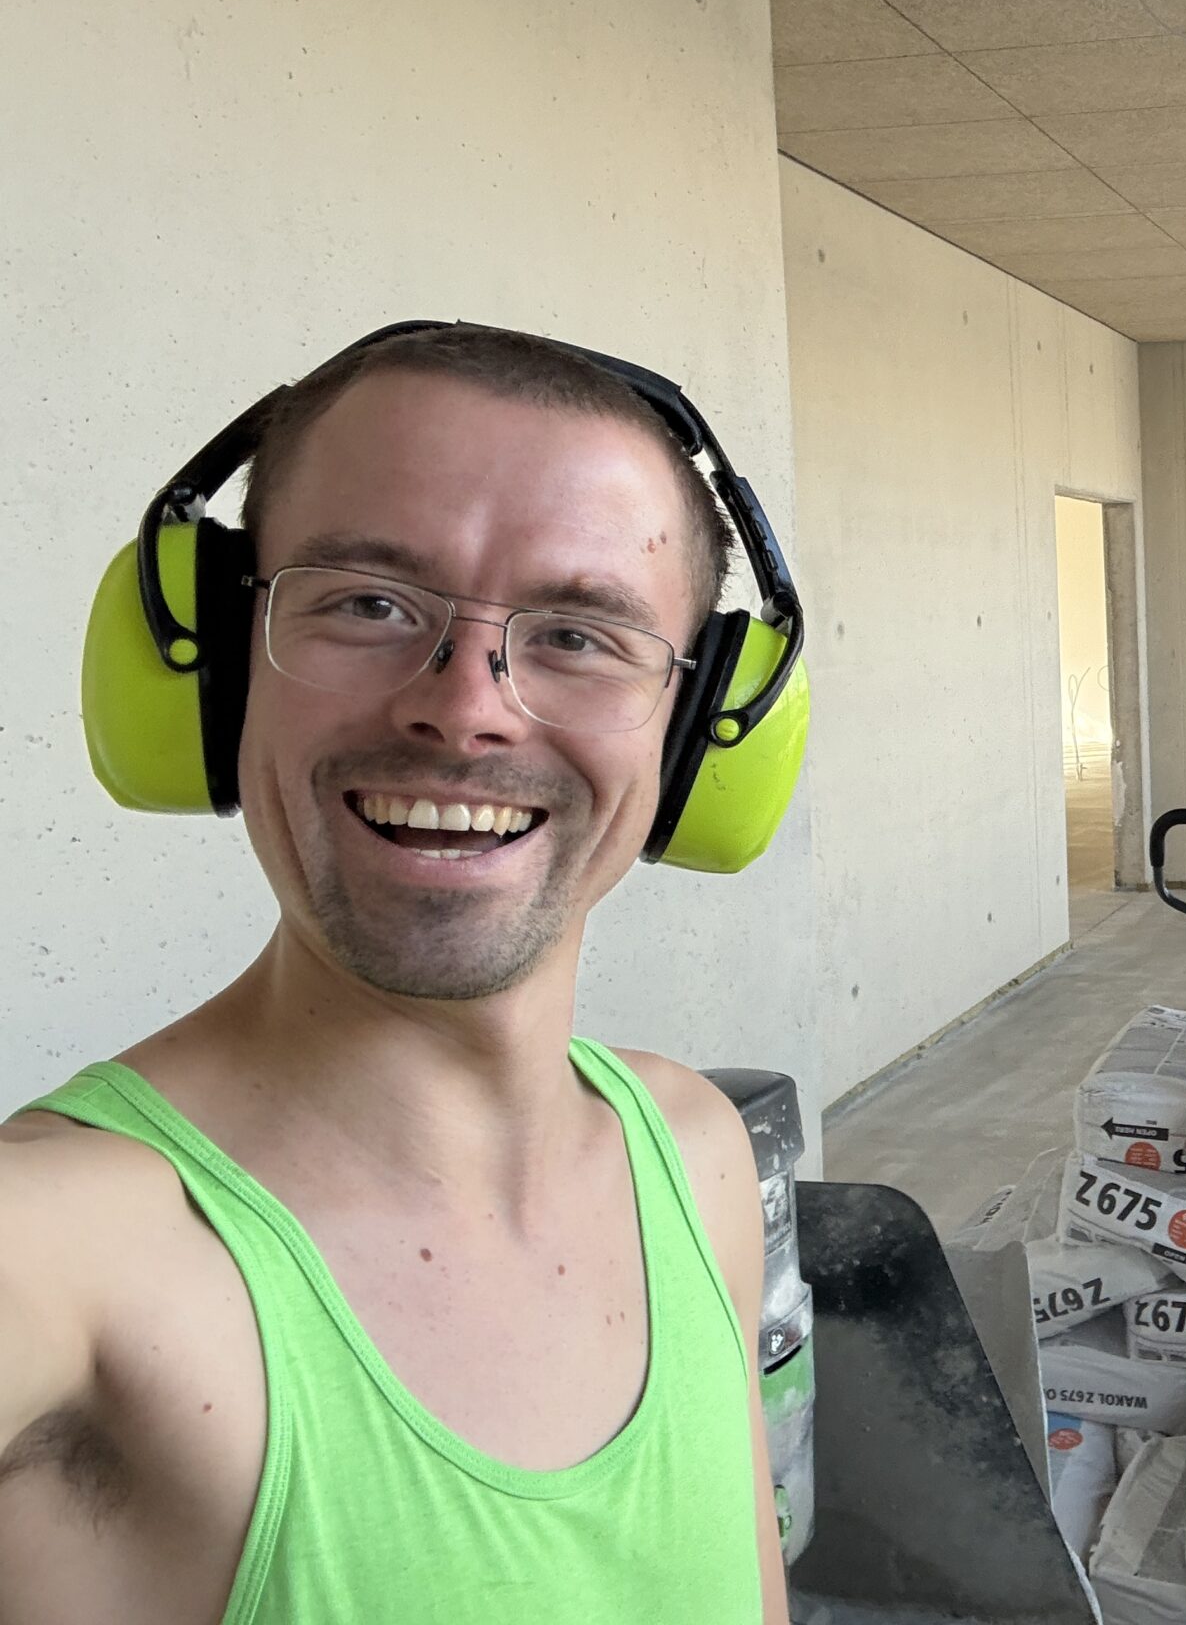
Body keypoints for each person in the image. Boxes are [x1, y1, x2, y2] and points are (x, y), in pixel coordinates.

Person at [0, 324, 805, 1623]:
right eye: (368, 604)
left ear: (701, 725)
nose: (465, 707)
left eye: (580, 635)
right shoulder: (55, 1254)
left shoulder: (695, 1151)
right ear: (209, 663)